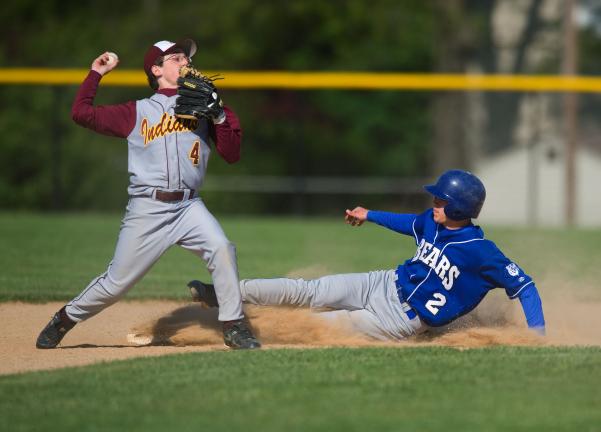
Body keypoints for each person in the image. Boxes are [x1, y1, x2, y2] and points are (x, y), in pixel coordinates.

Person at [36, 39, 261, 350]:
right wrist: (95, 74)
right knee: (116, 284)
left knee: (222, 249)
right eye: (176, 58)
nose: (185, 63)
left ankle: (234, 326)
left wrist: (219, 116)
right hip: (148, 208)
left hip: (188, 206)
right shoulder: (137, 111)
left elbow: (232, 154)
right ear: (157, 69)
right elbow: (81, 113)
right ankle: (64, 318)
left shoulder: (206, 105)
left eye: (187, 58)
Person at [188, 170, 545, 341]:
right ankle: (222, 293)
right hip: (382, 283)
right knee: (307, 291)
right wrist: (369, 214)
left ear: (458, 206)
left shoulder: (483, 253)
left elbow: (525, 287)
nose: (434, 203)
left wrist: (536, 336)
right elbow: (408, 223)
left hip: (398, 321)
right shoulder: (432, 222)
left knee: (317, 328)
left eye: (440, 199)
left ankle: (241, 331)